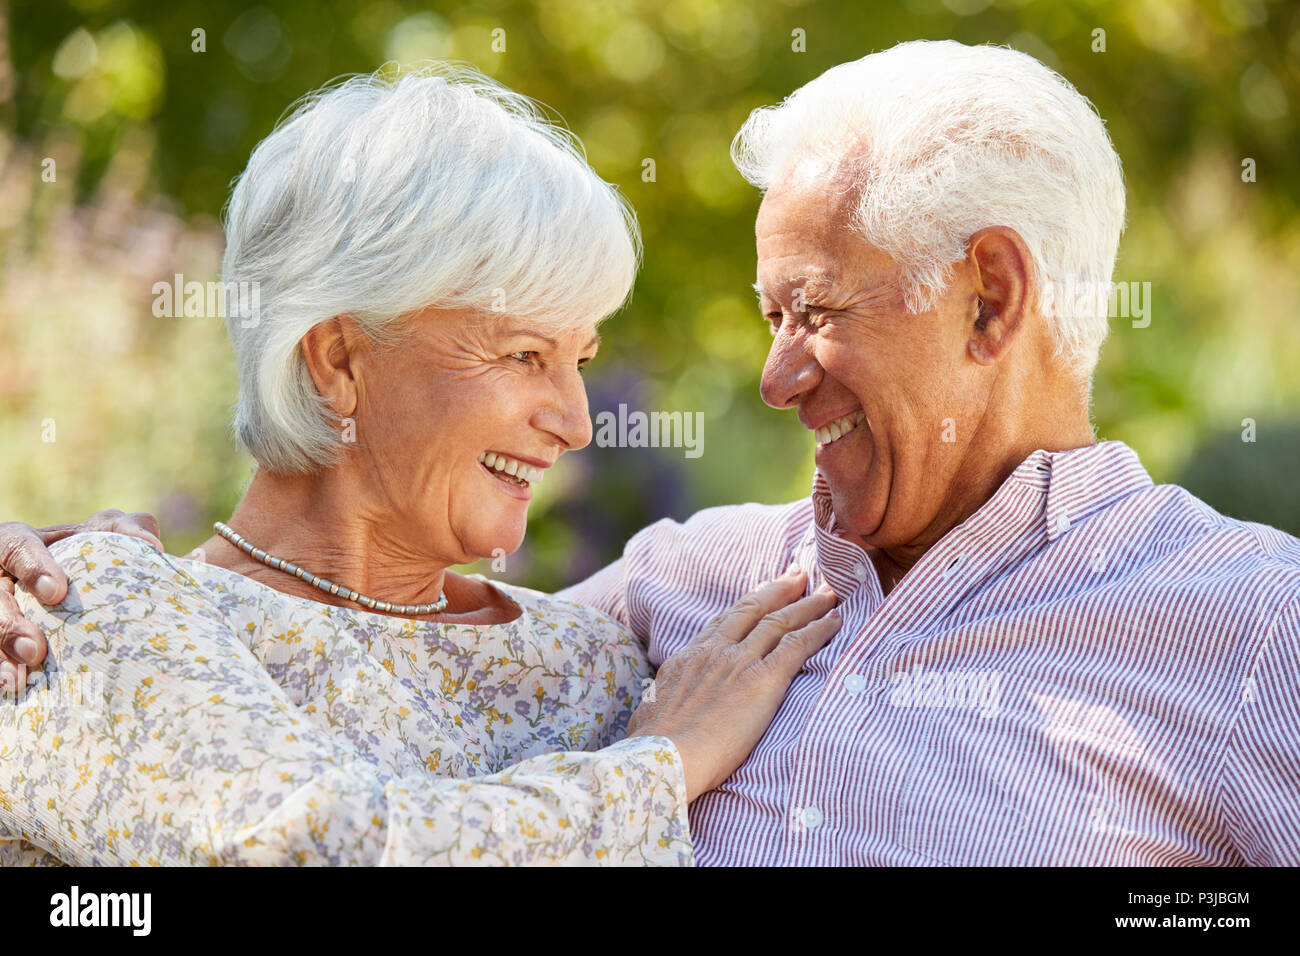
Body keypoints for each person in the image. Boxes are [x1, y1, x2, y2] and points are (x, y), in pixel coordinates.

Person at [7, 40, 1300, 866]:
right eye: (526, 355)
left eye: (816, 313)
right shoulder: (683, 608)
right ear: (338, 360)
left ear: (991, 300)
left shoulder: (1253, 628)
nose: (772, 375)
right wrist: (98, 585)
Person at [0, 66, 842, 866]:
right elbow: (305, 849)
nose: (577, 424)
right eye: (521, 355)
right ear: (336, 359)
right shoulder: (87, 607)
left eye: (579, 361)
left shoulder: (595, 664)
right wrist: (660, 764)